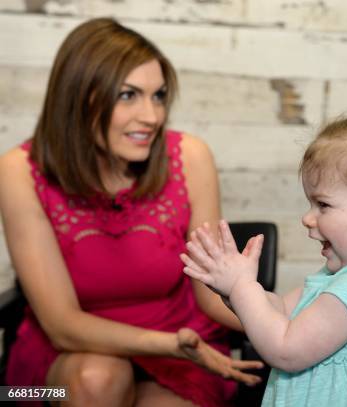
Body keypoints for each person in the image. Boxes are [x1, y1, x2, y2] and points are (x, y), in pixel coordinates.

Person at [0, 18, 263, 407]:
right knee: (96, 379)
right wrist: (170, 345)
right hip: (50, 376)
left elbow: (211, 297)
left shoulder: (190, 156)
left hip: (185, 356)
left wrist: (302, 320)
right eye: (128, 95)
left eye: (157, 96)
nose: (152, 116)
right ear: (78, 98)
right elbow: (61, 328)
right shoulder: (18, 170)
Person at [181, 71, 347, 406]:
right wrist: (235, 290)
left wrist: (243, 289)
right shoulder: (344, 278)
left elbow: (285, 348)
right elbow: (281, 310)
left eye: (323, 204)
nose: (307, 218)